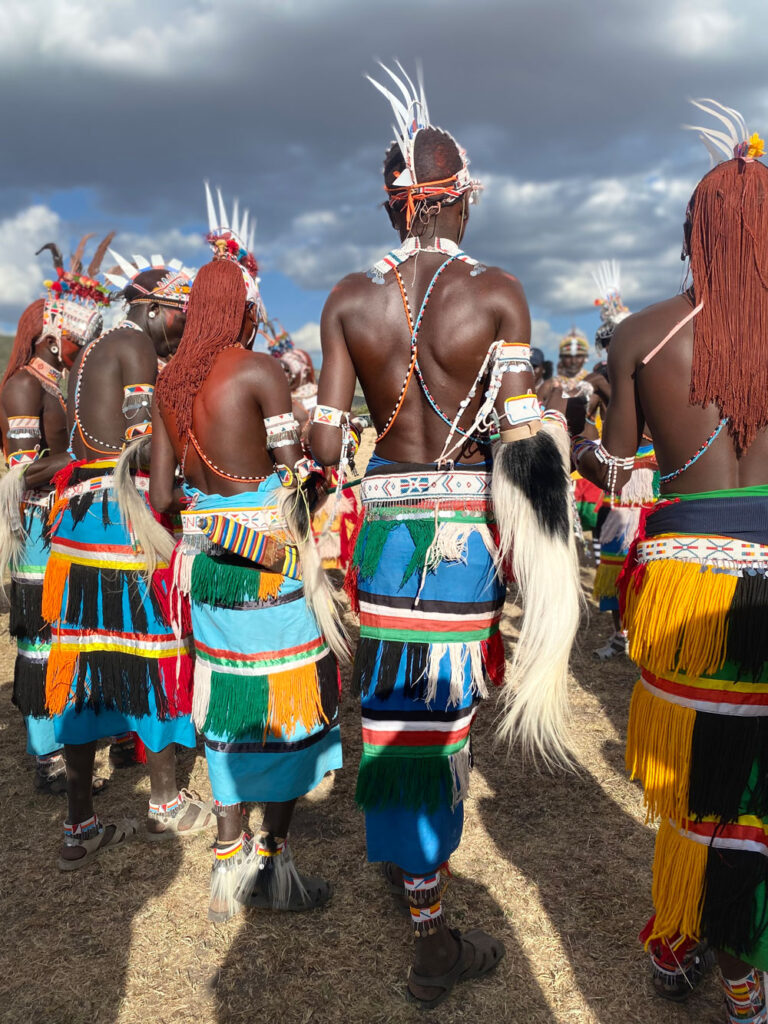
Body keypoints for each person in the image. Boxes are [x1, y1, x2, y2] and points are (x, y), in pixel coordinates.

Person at [311, 62, 580, 1010]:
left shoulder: (348, 300)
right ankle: (429, 932)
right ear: (456, 203)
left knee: (394, 715)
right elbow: (518, 447)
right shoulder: (499, 293)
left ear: (395, 210)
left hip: (381, 542)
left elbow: (317, 442)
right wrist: (546, 559)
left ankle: (413, 873)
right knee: (439, 720)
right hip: (466, 546)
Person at [566, 101, 768, 1019]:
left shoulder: (640, 336)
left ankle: (695, 938)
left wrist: (583, 432)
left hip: (685, 582)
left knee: (696, 780)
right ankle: (739, 956)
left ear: (694, 236)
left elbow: (610, 472)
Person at [151, 193, 347, 921]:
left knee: (229, 699)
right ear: (241, 309)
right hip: (269, 560)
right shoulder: (260, 372)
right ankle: (275, 864)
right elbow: (299, 480)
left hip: (208, 567)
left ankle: (230, 858)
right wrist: (297, 492)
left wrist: (212, 514)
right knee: (292, 699)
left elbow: (164, 492)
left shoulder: (171, 388)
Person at [41, 247, 213, 869]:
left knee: (87, 660)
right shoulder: (136, 345)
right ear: (151, 309)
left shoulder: (90, 347)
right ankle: (164, 804)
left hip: (82, 525)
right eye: (180, 315)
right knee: (153, 651)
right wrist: (192, 472)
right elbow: (141, 450)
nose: (185, 327)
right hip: (125, 524)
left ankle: (79, 823)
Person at [0, 236, 116, 793]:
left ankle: (71, 741)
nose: (81, 346)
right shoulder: (25, 386)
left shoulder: (57, 390)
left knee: (68, 632)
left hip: (59, 523)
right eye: (77, 336)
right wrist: (84, 459)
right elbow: (19, 474)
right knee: (41, 638)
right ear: (53, 334)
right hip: (36, 529)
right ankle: (45, 757)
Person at [587, 262, 658, 660]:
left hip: (651, 478)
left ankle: (648, 631)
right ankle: (621, 635)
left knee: (649, 555)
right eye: (611, 342)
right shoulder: (598, 380)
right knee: (615, 558)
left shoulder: (653, 374)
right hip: (619, 478)